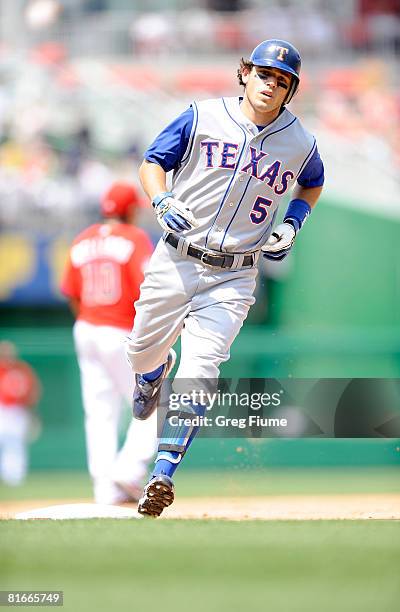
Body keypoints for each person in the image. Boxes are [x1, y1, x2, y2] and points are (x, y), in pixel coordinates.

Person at [126, 39, 325, 517]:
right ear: (244, 73)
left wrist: (292, 223)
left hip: (234, 276)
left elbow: (312, 181)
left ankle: (163, 474)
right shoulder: (202, 115)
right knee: (139, 350)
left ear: (290, 90)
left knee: (202, 370)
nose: (270, 85)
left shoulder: (300, 142)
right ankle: (152, 374)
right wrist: (160, 200)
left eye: (281, 81)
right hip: (176, 259)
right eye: (263, 74)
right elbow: (152, 163)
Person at [61, 181, 156, 505]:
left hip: (86, 327)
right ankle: (128, 471)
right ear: (130, 210)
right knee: (154, 403)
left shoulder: (82, 239)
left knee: (99, 413)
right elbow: (149, 288)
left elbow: (72, 293)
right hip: (120, 331)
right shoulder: (133, 238)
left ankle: (105, 488)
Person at [0, 341, 41, 486]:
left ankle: (14, 477)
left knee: (16, 444)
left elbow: (33, 392)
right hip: (2, 409)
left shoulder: (22, 369)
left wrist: (32, 413)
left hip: (18, 410)